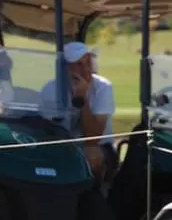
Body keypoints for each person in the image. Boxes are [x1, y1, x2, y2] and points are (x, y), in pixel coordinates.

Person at [39, 42, 117, 184]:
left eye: (88, 62)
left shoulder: (103, 87)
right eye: (79, 64)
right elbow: (48, 130)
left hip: (99, 147)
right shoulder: (50, 89)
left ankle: (96, 196)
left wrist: (82, 98)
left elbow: (92, 138)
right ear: (67, 68)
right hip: (64, 144)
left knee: (90, 154)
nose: (86, 68)